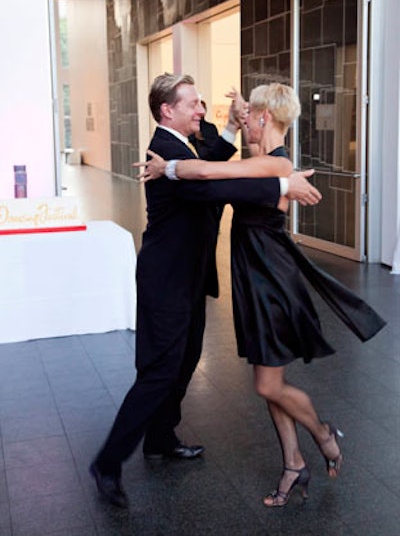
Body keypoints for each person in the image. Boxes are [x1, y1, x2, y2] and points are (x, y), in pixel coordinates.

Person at [139, 82, 386, 508]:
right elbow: (223, 169)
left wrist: (170, 169)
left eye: (251, 114)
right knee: (270, 380)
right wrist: (238, 116)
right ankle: (293, 464)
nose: (244, 118)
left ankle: (323, 434)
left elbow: (211, 177)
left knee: (268, 383)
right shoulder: (265, 162)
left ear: (265, 118)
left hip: (272, 282)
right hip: (254, 279)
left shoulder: (276, 166)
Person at [89, 73, 322, 508]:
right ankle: (107, 463)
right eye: (194, 104)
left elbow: (212, 161)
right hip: (166, 280)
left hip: (189, 276)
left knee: (185, 361)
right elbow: (215, 184)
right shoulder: (165, 151)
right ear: (168, 111)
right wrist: (283, 184)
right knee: (159, 371)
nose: (202, 110)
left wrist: (233, 130)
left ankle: (161, 438)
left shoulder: (179, 146)